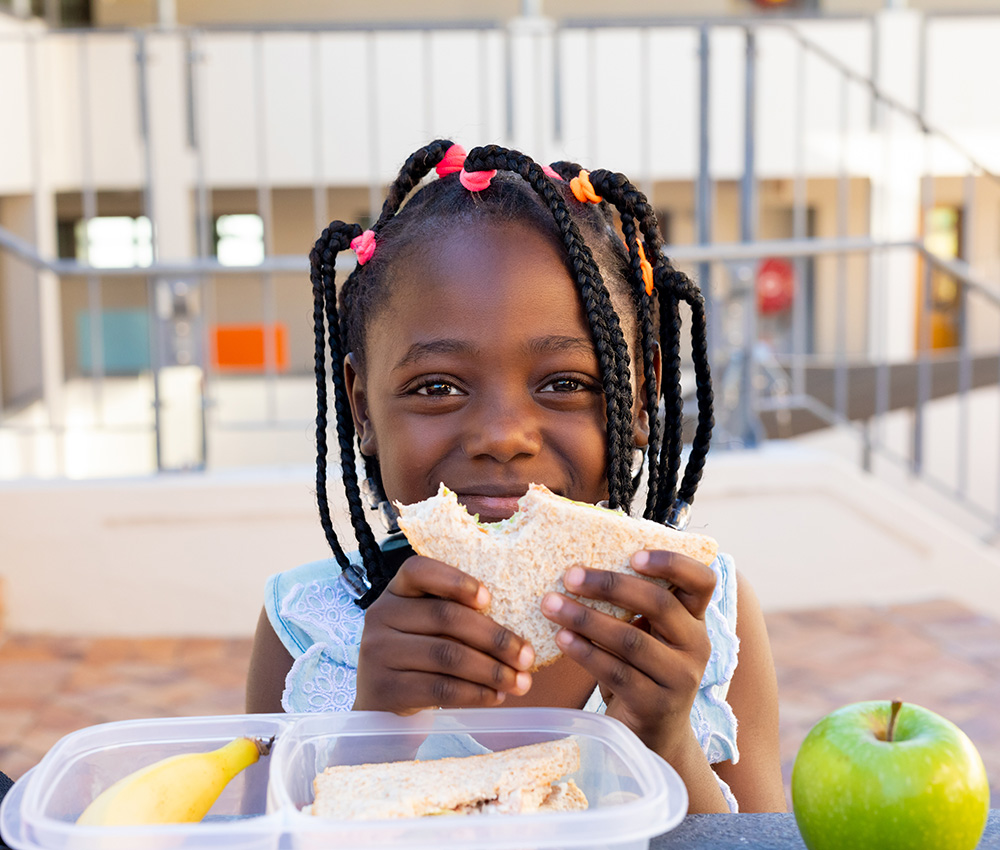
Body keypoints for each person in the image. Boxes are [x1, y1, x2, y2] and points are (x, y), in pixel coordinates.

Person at [246, 141, 786, 814]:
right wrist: (377, 728)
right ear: (362, 407)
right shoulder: (308, 631)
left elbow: (761, 834)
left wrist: (667, 739)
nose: (503, 435)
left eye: (565, 383)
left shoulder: (704, 621)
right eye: (436, 386)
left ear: (642, 398)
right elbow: (266, 835)